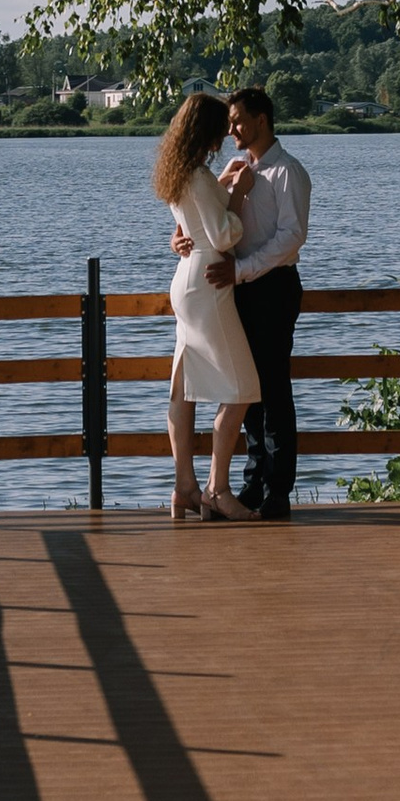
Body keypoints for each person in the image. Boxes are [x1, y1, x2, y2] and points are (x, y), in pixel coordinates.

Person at [153, 89, 260, 519]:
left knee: (183, 386)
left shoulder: (183, 174)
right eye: (221, 127)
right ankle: (218, 490)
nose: (225, 134)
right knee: (242, 388)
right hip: (208, 284)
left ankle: (185, 487)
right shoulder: (196, 177)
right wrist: (240, 194)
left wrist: (223, 184)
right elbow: (222, 236)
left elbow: (193, 220)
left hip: (187, 283)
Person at [216, 86, 310, 517]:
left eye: (237, 120)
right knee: (245, 389)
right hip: (240, 288)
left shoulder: (287, 172)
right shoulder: (238, 169)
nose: (231, 128)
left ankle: (278, 489)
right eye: (231, 121)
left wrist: (243, 269)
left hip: (272, 288)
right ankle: (253, 480)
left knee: (273, 388)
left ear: (261, 120)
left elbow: (292, 238)